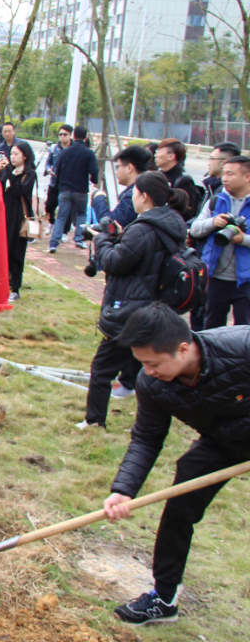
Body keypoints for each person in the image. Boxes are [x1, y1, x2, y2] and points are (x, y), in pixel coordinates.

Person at [103, 303, 250, 625]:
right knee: (179, 510)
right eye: (143, 363)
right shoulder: (153, 383)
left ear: (183, 349)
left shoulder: (242, 347)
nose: (148, 371)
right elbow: (147, 438)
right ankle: (164, 598)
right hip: (220, 444)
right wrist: (123, 489)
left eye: (153, 363)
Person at [79, 172, 187, 431]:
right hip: (156, 308)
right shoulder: (172, 224)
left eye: (135, 193)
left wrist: (102, 238)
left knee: (103, 368)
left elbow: (115, 262)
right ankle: (149, 424)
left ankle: (94, 421)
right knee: (149, 369)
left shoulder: (144, 228)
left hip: (131, 310)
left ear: (144, 196)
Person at [190, 155, 250, 328]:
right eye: (224, 173)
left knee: (243, 331)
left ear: (247, 176)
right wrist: (213, 223)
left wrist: (243, 239)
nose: (224, 178)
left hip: (246, 281)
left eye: (230, 174)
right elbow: (194, 229)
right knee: (212, 328)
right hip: (215, 278)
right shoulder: (216, 200)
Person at [0, 140, 37, 301]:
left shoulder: (29, 174)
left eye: (16, 154)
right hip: (4, 215)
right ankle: (2, 284)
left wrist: (8, 171)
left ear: (25, 156)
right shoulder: (9, 171)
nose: (12, 157)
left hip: (18, 218)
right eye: (11, 153)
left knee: (16, 252)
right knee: (3, 249)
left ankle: (15, 288)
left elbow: (19, 190)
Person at [48, 126, 100, 253]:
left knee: (61, 216)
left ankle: (54, 242)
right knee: (81, 214)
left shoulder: (65, 151)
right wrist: (93, 180)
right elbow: (94, 171)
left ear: (73, 136)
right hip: (81, 190)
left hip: (65, 189)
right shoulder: (89, 153)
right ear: (86, 137)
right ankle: (79, 239)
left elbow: (57, 170)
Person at [91, 144, 152, 232]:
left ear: (129, 168)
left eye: (118, 167)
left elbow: (111, 226)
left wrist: (99, 198)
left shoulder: (134, 195)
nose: (116, 172)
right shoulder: (145, 188)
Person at [155, 138, 202, 217]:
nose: (155, 155)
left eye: (159, 152)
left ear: (171, 156)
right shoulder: (158, 175)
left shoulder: (184, 180)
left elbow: (188, 212)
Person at [42, 124, 73, 229]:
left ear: (70, 135)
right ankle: (51, 222)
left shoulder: (74, 149)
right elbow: (48, 162)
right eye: (60, 134)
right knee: (49, 205)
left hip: (68, 184)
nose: (62, 137)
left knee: (66, 208)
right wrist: (48, 169)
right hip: (54, 182)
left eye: (65, 134)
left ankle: (65, 231)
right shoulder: (54, 148)